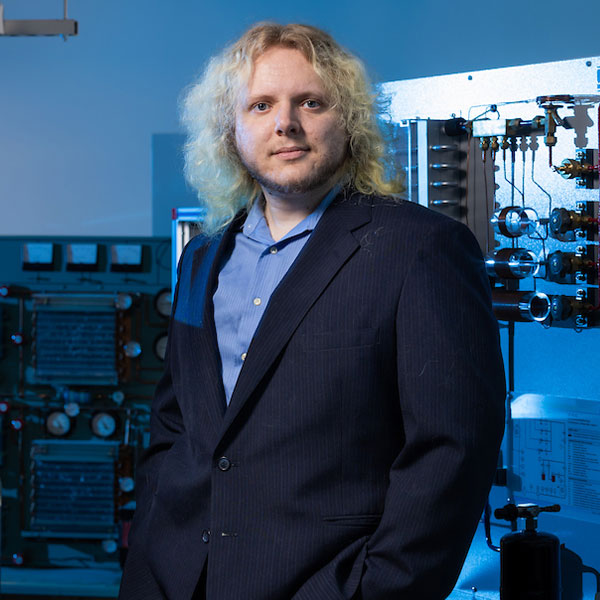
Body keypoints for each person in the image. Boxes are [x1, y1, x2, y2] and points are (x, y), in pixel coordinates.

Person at [119, 22, 506, 600]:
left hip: (323, 584)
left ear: (346, 120)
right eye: (260, 105)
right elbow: (177, 423)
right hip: (171, 578)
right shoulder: (201, 256)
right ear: (231, 130)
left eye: (310, 102)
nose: (286, 123)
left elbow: (453, 450)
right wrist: (149, 553)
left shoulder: (419, 249)